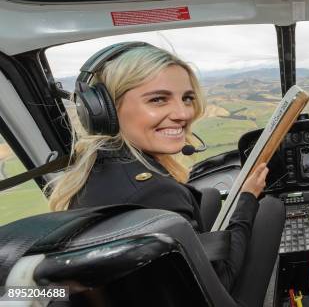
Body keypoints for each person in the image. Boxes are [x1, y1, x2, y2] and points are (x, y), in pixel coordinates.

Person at [45, 42, 284, 306]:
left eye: (187, 98)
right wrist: (248, 197)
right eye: (158, 99)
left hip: (130, 293)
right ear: (106, 110)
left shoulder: (96, 169)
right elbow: (222, 279)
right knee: (270, 208)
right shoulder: (156, 193)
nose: (183, 114)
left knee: (210, 195)